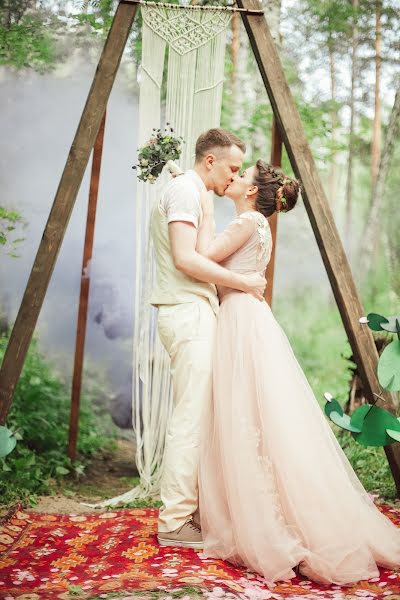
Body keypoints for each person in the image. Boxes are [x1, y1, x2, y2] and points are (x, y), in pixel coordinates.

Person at [197, 160, 400, 585]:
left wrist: (195, 220)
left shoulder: (245, 222)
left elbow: (201, 259)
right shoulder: (258, 226)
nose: (234, 180)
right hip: (251, 316)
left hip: (240, 320)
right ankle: (270, 509)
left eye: (241, 178)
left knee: (243, 412)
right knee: (259, 413)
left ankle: (266, 523)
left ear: (252, 192)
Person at [149, 128, 266, 549]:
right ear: (210, 160)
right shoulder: (184, 190)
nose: (233, 176)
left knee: (200, 415)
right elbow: (185, 259)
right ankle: (175, 521)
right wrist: (242, 282)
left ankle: (192, 509)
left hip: (196, 311)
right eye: (232, 168)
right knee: (191, 417)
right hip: (186, 311)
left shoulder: (191, 190)